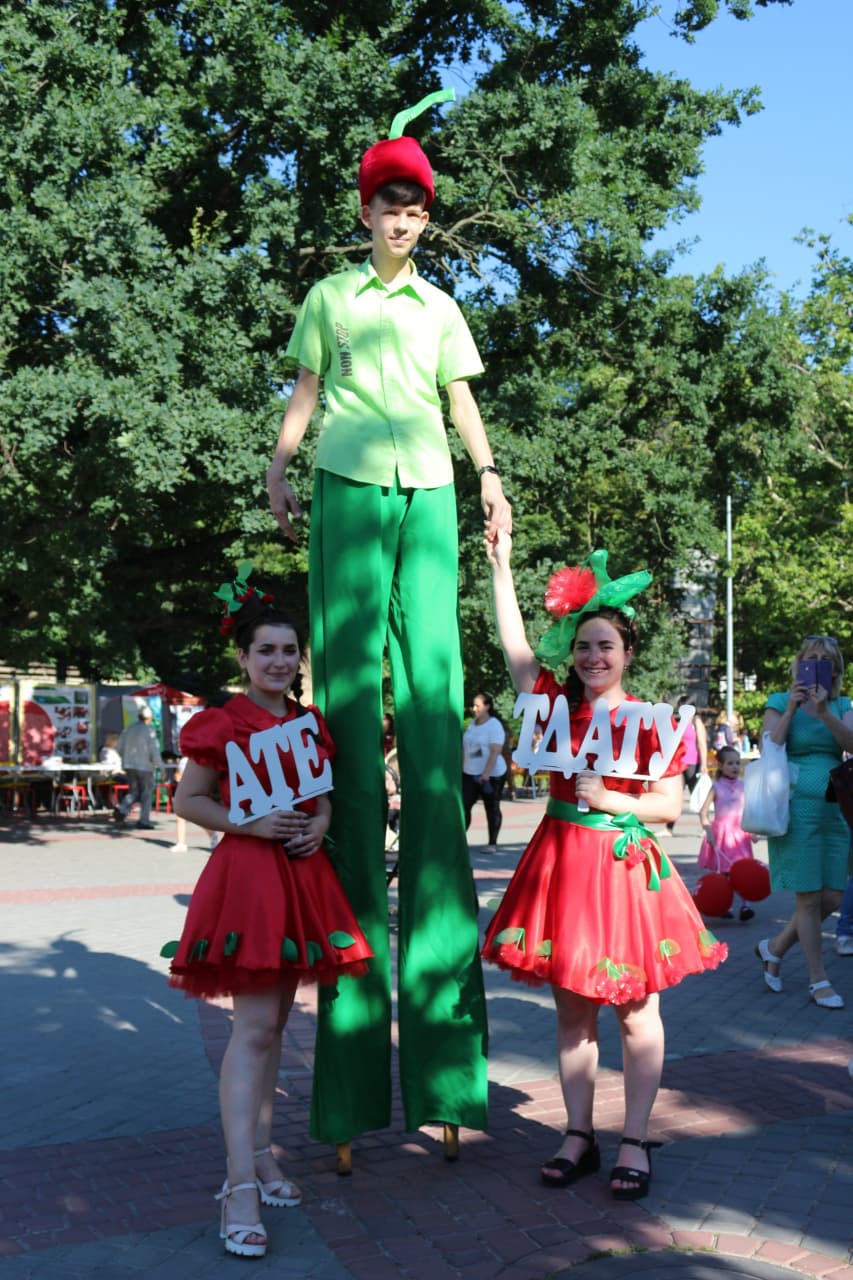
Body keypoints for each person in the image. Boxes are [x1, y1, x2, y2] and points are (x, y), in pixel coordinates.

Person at [265, 92, 511, 1164]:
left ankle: (451, 1074)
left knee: (436, 736)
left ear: (424, 218)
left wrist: (492, 479)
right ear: (364, 210)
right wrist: (277, 462)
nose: (403, 219)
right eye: (389, 204)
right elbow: (306, 392)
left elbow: (462, 406)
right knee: (354, 744)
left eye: (416, 207)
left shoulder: (441, 308)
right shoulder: (330, 296)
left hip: (431, 495)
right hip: (349, 490)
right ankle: (355, 1088)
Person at [481, 536, 727, 1199]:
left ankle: (636, 1137)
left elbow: (669, 805)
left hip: (622, 870)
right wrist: (501, 567)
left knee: (635, 1012)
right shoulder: (550, 706)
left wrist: (608, 796)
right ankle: (578, 1134)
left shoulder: (655, 722)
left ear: (625, 656)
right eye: (584, 645)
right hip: (561, 865)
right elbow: (514, 648)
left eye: (605, 647)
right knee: (572, 1015)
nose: (593, 656)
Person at [162, 566, 372, 1259]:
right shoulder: (221, 723)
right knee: (252, 1030)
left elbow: (322, 791)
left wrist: (321, 821)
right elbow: (187, 801)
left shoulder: (307, 722)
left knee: (275, 1024)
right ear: (243, 659)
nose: (279, 661)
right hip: (251, 880)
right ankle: (238, 1186)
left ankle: (261, 1154)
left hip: (302, 879)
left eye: (288, 651)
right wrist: (248, 826)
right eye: (266, 651)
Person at [754, 635, 853, 1009]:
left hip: (835, 810)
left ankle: (774, 948)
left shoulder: (842, 705)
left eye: (825, 662)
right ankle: (818, 980)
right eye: (810, 660)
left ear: (835, 672)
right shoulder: (780, 701)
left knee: (833, 896)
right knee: (809, 900)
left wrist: (825, 711)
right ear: (798, 665)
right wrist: (794, 709)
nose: (816, 667)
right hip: (795, 809)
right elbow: (770, 746)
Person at [697, 746, 759, 921]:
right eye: (730, 763)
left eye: (737, 763)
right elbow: (703, 812)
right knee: (725, 872)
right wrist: (707, 829)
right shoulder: (716, 786)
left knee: (743, 871)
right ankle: (724, 904)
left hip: (740, 834)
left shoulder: (744, 786)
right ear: (721, 766)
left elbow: (749, 810)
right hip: (723, 834)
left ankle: (745, 906)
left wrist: (753, 830)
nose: (735, 766)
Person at [462, 692, 507, 852]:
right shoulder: (473, 724)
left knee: (492, 807)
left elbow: (495, 751)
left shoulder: (494, 725)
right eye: (473, 705)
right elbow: (469, 749)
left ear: (487, 706)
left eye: (478, 706)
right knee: (464, 805)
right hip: (469, 771)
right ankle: (460, 840)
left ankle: (492, 843)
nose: (474, 709)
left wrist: (486, 774)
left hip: (491, 774)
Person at [113, 706, 162, 829]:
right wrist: (161, 766)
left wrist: (126, 759)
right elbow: (154, 751)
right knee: (146, 793)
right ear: (149, 718)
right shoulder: (149, 731)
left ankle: (122, 809)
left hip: (130, 765)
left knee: (134, 791)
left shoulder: (128, 729)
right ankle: (144, 821)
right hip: (145, 767)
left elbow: (119, 748)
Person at [667, 698, 708, 834]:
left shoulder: (696, 722)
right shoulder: (679, 723)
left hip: (693, 763)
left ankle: (705, 827)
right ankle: (669, 829)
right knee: (676, 795)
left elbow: (702, 743)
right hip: (679, 763)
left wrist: (704, 764)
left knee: (698, 796)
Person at [168, 756, 219, 853]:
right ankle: (181, 843)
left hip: (197, 795)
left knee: (199, 818)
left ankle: (212, 833)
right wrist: (179, 776)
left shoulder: (199, 759)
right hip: (185, 793)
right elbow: (178, 776)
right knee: (180, 816)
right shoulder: (184, 760)